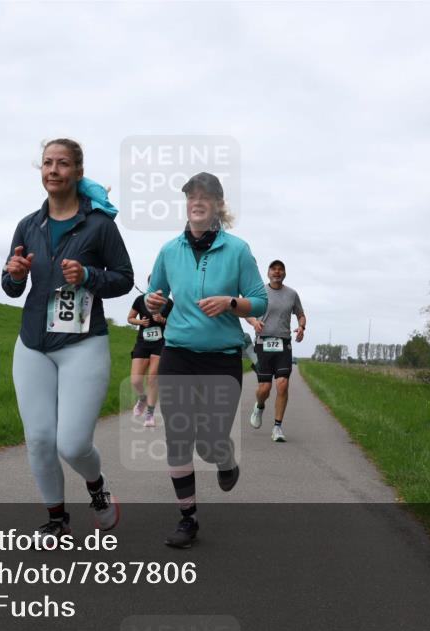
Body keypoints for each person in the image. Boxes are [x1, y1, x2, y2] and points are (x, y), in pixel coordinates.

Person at [2, 138, 133, 546]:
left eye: (62, 163)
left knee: (73, 444)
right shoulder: (29, 225)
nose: (53, 170)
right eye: (47, 163)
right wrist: (15, 274)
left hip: (82, 343)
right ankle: (56, 519)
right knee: (40, 440)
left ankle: (97, 487)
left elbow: (124, 278)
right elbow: (10, 286)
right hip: (33, 344)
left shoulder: (99, 225)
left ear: (78, 172)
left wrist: (90, 276)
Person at [146, 172, 267, 548]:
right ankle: (188, 518)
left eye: (205, 196)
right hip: (178, 354)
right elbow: (154, 294)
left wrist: (230, 303)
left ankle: (224, 458)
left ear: (218, 205)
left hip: (222, 358)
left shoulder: (238, 250)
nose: (197, 201)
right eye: (191, 196)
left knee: (210, 442)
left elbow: (259, 301)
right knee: (178, 437)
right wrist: (153, 301)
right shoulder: (169, 250)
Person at [247, 260, 306, 442]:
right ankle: (259, 406)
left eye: (281, 269)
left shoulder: (292, 294)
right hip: (262, 344)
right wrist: (254, 322)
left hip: (283, 344)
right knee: (264, 388)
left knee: (282, 384)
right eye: (274, 269)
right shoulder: (259, 292)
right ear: (268, 272)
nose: (277, 272)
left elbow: (301, 314)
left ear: (284, 273)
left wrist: (301, 327)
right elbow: (247, 311)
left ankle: (277, 427)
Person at [127, 277, 173, 428]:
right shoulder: (140, 300)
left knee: (153, 378)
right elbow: (130, 318)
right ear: (150, 284)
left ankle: (150, 414)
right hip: (142, 343)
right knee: (135, 380)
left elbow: (176, 324)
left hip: (160, 343)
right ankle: (142, 398)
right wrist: (140, 322)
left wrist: (162, 320)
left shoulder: (169, 303)